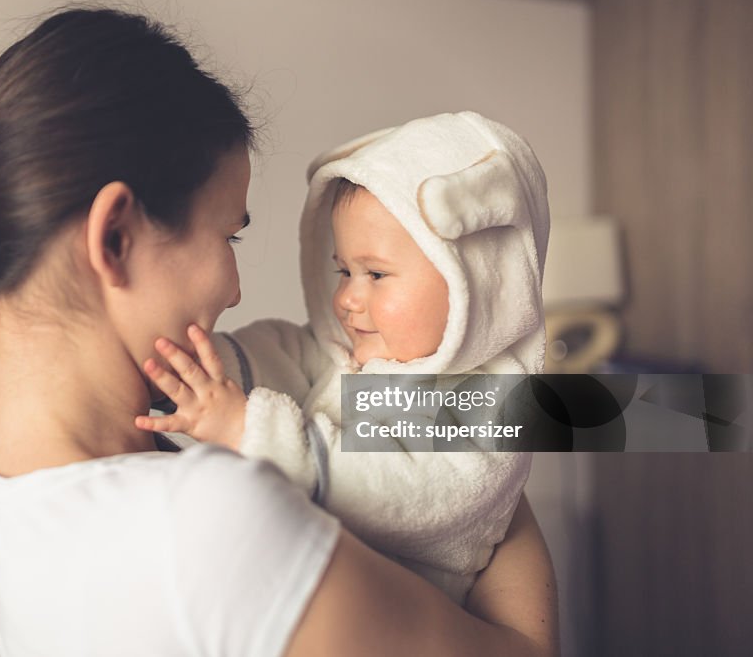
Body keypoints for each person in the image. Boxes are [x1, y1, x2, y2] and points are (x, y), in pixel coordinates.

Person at [0, 7, 558, 656]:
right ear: (114, 236)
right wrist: (493, 466)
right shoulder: (209, 524)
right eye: (228, 237)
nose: (235, 289)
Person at [136, 111, 550, 605]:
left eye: (375, 275)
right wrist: (193, 372)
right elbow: (279, 353)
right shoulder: (345, 356)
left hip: (401, 618)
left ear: (476, 282)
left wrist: (251, 431)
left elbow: (406, 497)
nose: (348, 299)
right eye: (343, 272)